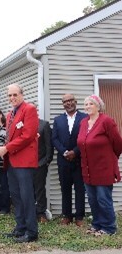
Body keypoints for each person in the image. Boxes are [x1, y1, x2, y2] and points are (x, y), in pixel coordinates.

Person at [0, 84, 39, 243]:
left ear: (22, 94)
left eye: (15, 94)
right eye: (9, 95)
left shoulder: (29, 109)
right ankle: (20, 228)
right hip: (12, 161)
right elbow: (11, 137)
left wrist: (6, 148)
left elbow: (28, 136)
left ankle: (32, 232)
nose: (12, 98)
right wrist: (3, 148)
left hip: (24, 162)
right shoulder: (9, 114)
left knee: (26, 197)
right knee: (16, 196)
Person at [77, 95, 122, 236]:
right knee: (92, 199)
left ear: (98, 106)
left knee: (103, 199)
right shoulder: (83, 122)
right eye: (86, 104)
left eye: (91, 103)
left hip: (103, 168)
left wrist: (109, 158)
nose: (88, 106)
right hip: (88, 169)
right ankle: (97, 224)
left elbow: (118, 143)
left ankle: (109, 227)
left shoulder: (106, 121)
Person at [52, 94, 87, 226]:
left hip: (79, 160)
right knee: (65, 189)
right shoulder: (58, 120)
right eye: (66, 101)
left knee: (80, 189)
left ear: (75, 102)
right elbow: (54, 139)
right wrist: (65, 152)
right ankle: (67, 216)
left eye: (71, 100)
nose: (68, 103)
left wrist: (75, 151)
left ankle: (79, 217)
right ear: (63, 104)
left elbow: (86, 137)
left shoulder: (84, 118)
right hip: (63, 161)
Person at [34, 118, 54, 223]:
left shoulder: (43, 124)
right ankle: (31, 212)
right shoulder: (22, 124)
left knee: (40, 189)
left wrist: (46, 161)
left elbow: (48, 144)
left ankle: (41, 213)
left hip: (40, 163)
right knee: (28, 189)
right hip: (26, 164)